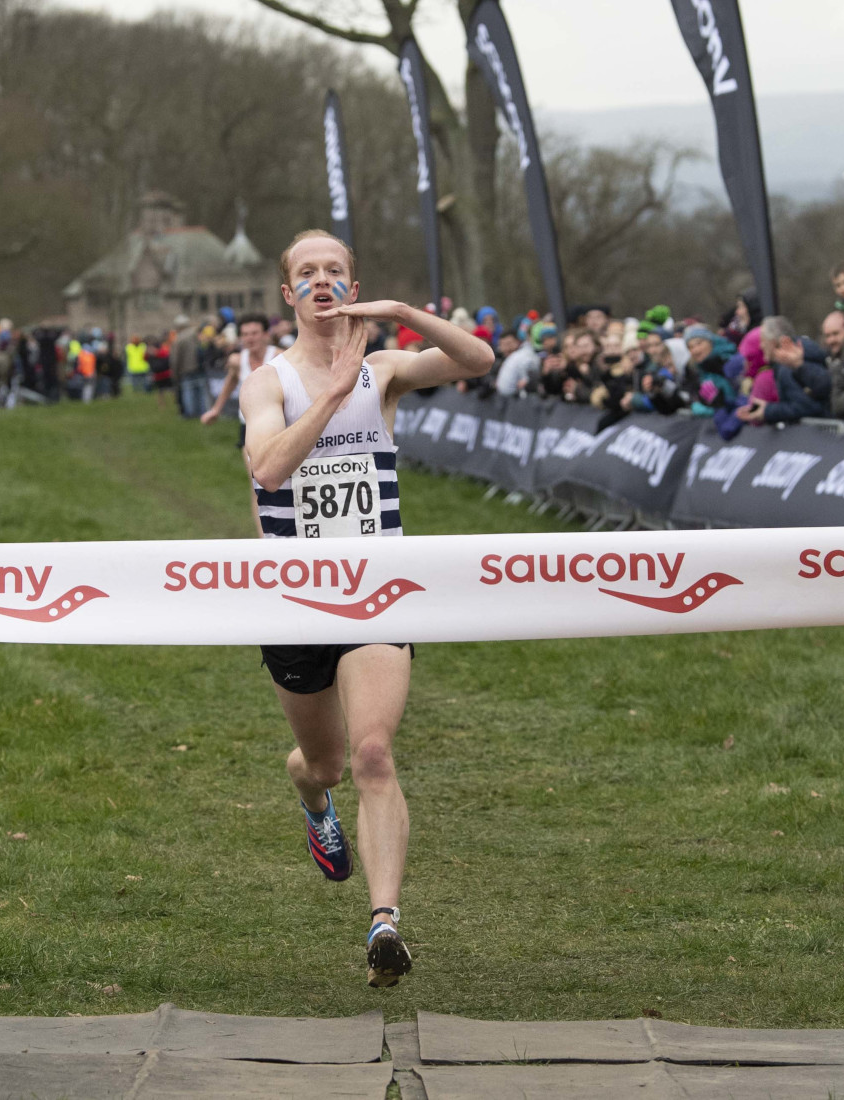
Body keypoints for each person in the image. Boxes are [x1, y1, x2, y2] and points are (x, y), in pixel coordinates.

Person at [240, 230, 492, 987]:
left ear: (352, 284)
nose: (322, 281)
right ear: (288, 294)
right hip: (294, 602)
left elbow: (479, 361)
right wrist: (328, 391)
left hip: (378, 592)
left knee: (373, 752)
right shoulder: (268, 381)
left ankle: (385, 924)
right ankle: (315, 803)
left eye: (336, 271)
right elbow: (271, 468)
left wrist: (404, 311)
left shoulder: (383, 372)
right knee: (323, 762)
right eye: (307, 273)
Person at [736, 316, 831, 427]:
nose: (761, 346)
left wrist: (767, 411)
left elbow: (806, 407)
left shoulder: (787, 367)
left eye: (763, 340)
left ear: (773, 342)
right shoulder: (799, 359)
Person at [200, 313, 271, 446]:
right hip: (247, 423)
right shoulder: (237, 360)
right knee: (251, 467)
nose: (250, 339)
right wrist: (216, 410)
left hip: (277, 424)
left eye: (255, 333)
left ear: (266, 334)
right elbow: (230, 382)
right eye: (245, 334)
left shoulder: (280, 357)